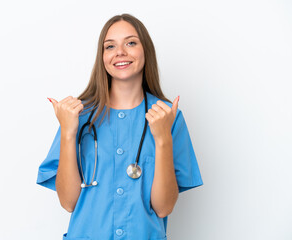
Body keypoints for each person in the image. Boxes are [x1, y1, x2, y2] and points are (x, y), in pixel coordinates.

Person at [37, 13, 203, 240]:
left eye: (131, 43)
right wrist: (68, 132)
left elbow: (163, 208)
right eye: (110, 46)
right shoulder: (78, 115)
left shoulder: (168, 116)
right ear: (102, 56)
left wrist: (163, 138)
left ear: (146, 51)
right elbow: (68, 202)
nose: (120, 52)